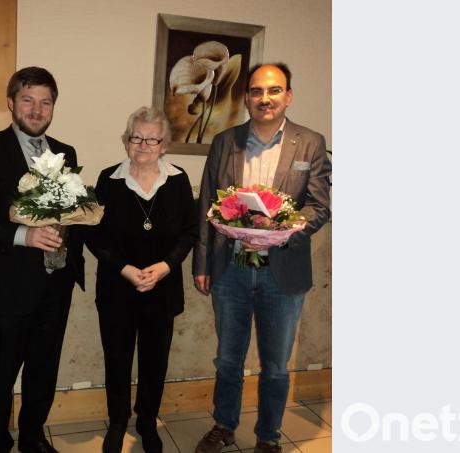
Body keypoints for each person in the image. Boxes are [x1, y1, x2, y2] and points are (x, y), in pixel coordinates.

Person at [192, 63, 331, 453]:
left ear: (288, 96)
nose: (265, 98)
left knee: (275, 366)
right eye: (256, 91)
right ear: (247, 97)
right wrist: (202, 264)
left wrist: (281, 230)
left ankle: (269, 437)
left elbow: (319, 206)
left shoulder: (310, 143)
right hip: (230, 269)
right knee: (227, 360)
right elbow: (207, 202)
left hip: (282, 273)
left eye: (274, 90)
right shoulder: (225, 142)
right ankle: (224, 425)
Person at [0, 66, 84, 453]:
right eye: (28, 99)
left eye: (45, 102)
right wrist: (22, 235)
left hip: (56, 284)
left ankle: (32, 436)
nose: (37, 109)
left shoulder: (66, 153)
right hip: (8, 285)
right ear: (11, 103)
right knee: (2, 373)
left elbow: (72, 211)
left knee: (44, 370)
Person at [86, 106, 198, 453]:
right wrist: (124, 268)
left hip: (162, 289)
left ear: (165, 145)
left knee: (154, 362)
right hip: (117, 288)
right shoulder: (108, 179)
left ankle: (147, 421)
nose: (144, 145)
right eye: (137, 138)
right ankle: (118, 421)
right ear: (126, 141)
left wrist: (165, 266)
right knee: (117, 359)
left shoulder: (178, 180)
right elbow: (94, 235)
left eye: (152, 139)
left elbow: (190, 231)